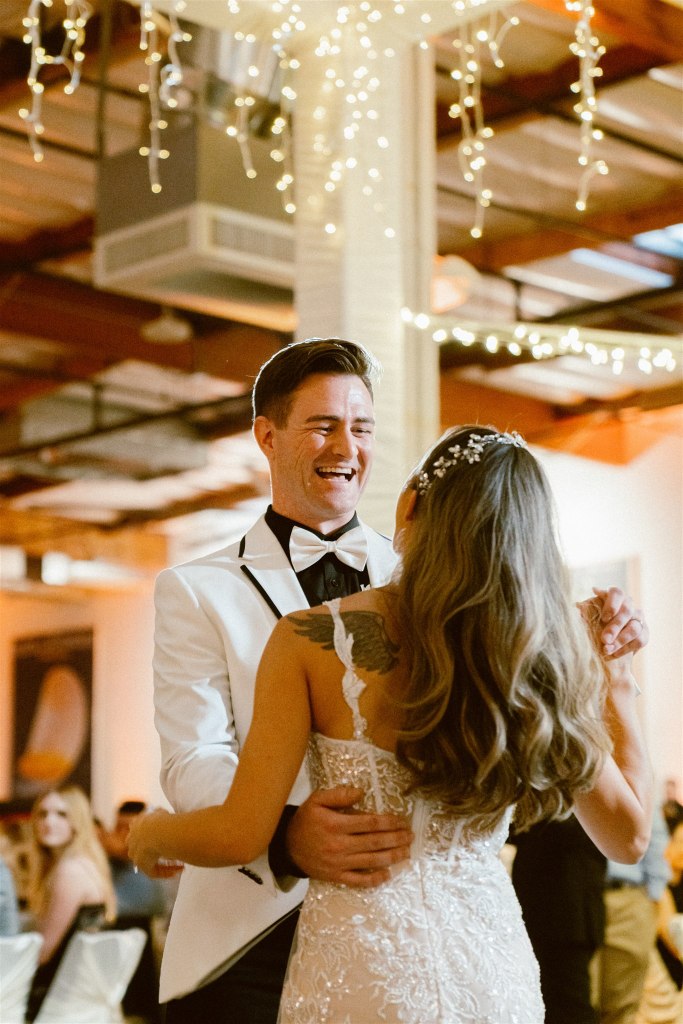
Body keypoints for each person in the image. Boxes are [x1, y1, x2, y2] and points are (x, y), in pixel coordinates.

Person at [131, 424, 653, 1024]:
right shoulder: (539, 657)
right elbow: (628, 838)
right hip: (493, 976)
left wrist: (153, 834)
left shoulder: (312, 638)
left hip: (365, 974)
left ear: (409, 507)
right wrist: (616, 680)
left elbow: (239, 835)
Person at [151, 338, 406, 1022]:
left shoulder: (420, 581)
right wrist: (284, 836)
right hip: (252, 931)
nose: (345, 447)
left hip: (397, 922)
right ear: (267, 436)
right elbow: (194, 757)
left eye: (361, 428)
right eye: (323, 426)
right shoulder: (196, 589)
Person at [24, 785, 116, 1021]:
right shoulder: (86, 863)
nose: (49, 821)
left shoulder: (70, 870)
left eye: (61, 814)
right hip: (81, 995)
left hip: (58, 997)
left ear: (78, 822)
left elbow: (44, 952)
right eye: (42, 814)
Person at [510, 815, 607, 1024]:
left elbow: (561, 830)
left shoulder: (576, 807)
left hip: (567, 917)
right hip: (548, 914)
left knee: (569, 1007)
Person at [593, 806, 671, 1024]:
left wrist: (651, 899)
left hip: (628, 898)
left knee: (623, 1001)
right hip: (579, 894)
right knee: (578, 997)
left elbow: (654, 840)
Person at [99, 800, 170, 1024]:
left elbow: (126, 850)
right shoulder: (104, 855)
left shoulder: (159, 853)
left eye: (129, 828)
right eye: (118, 827)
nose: (123, 834)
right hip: (117, 928)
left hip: (149, 928)